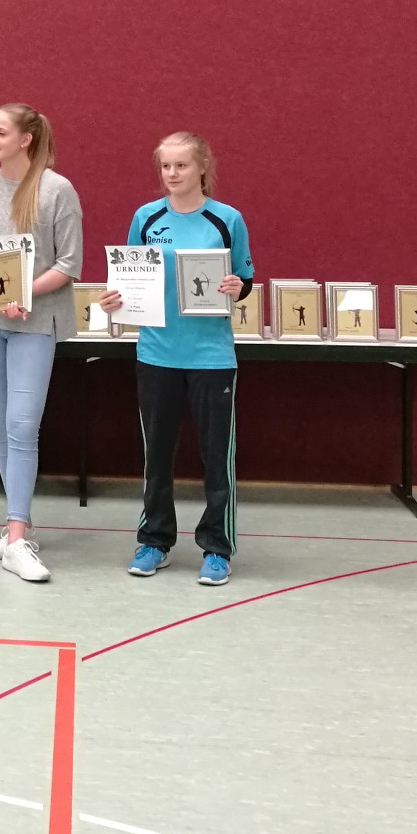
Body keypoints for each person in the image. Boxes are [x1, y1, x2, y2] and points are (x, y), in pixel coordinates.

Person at [99, 132, 253, 586]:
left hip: (211, 357)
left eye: (181, 165)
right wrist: (114, 299)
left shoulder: (227, 220)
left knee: (216, 458)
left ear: (202, 166)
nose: (172, 174)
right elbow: (128, 277)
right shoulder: (146, 218)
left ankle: (217, 548)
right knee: (157, 456)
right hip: (156, 354)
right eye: (165, 166)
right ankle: (155, 540)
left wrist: (236, 288)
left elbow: (243, 278)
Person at [0, 104, 83, 583]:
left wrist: (24, 293)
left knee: (24, 425)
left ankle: (18, 538)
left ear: (26, 139)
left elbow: (69, 263)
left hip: (34, 324)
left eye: (1, 132)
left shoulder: (57, 189)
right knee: (2, 425)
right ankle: (13, 528)